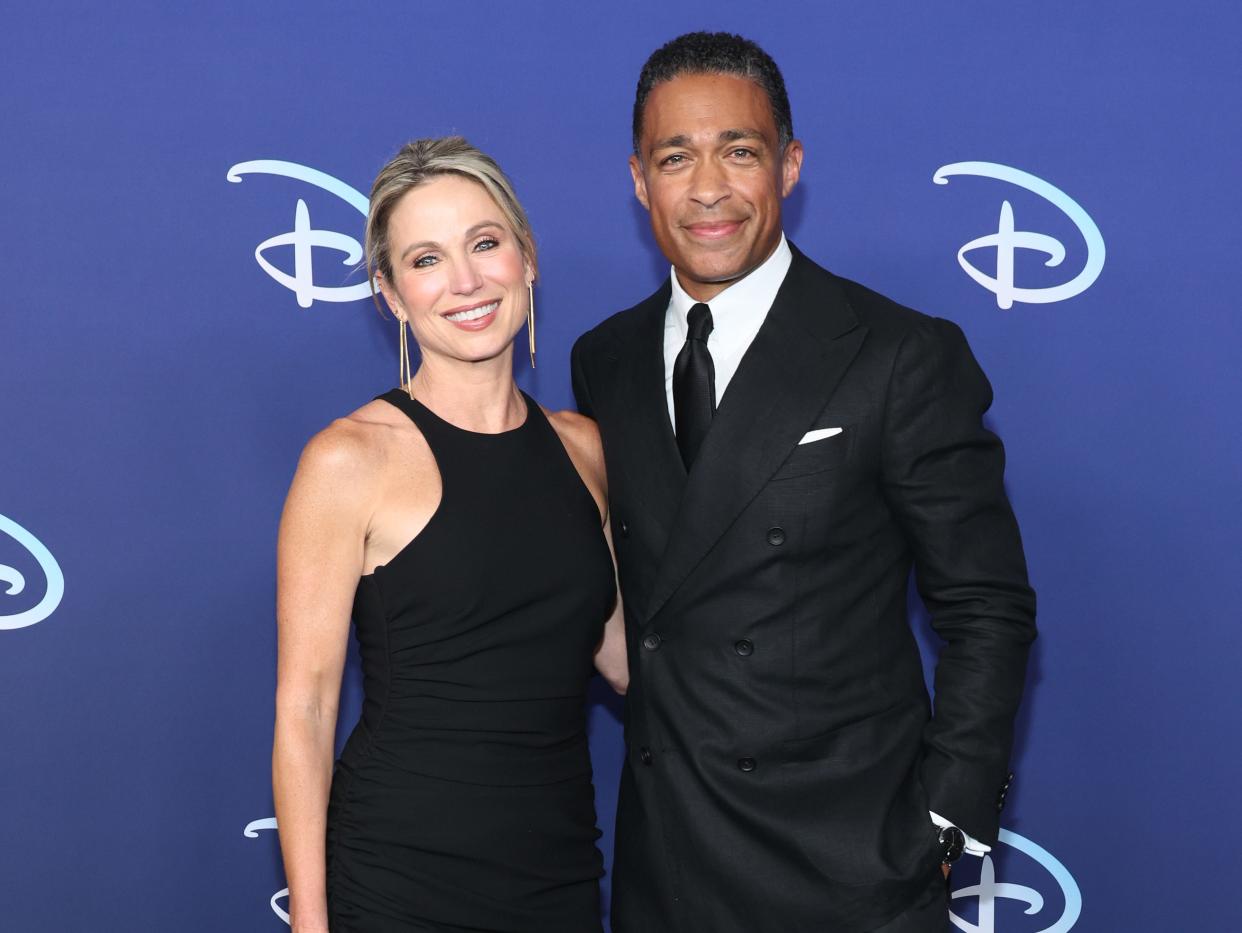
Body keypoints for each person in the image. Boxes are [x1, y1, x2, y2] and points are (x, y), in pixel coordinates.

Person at [572, 32, 1037, 933]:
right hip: (667, 866)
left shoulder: (898, 354)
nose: (708, 189)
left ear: (789, 165)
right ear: (639, 179)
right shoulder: (607, 359)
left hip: (850, 864)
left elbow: (987, 605)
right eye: (677, 157)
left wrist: (944, 821)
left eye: (738, 152)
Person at [273, 136, 627, 933]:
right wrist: (310, 921)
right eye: (426, 260)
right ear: (392, 294)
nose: (465, 282)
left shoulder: (585, 450)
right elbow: (306, 706)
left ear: (526, 259)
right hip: (400, 880)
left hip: (558, 877)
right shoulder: (348, 459)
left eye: (485, 243)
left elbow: (625, 658)